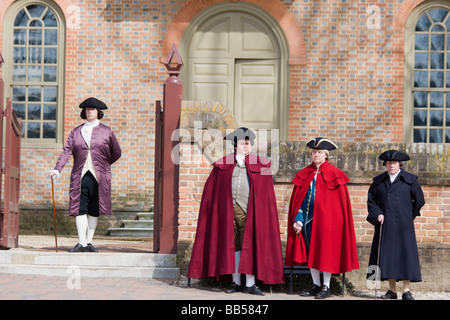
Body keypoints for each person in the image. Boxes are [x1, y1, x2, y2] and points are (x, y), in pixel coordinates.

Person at [187, 127, 284, 295]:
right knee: (233, 246)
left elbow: (266, 196)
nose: (245, 146)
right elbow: (212, 192)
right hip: (228, 212)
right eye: (241, 143)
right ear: (235, 145)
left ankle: (250, 284)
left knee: (251, 245)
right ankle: (236, 281)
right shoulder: (223, 165)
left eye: (247, 143)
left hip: (251, 213)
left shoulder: (261, 165)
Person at [285, 137, 359, 299]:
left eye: (319, 152)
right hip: (307, 222)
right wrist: (297, 219)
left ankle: (326, 286)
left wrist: (334, 222)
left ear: (326, 155)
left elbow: (339, 206)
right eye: (313, 152)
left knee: (325, 253)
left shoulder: (336, 174)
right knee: (311, 252)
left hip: (327, 224)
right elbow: (299, 200)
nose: (316, 155)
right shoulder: (305, 173)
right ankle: (315, 284)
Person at [49, 97, 121, 252]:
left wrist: (104, 165)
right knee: (80, 208)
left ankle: (89, 242)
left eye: (93, 110)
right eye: (88, 109)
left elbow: (116, 152)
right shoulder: (75, 132)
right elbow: (67, 151)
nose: (90, 112)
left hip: (99, 176)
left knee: (94, 208)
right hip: (80, 175)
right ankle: (81, 242)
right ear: (84, 112)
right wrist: (57, 169)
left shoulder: (107, 132)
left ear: (98, 112)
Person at [366, 150, 425, 300]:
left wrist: (409, 215)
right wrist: (377, 214)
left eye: (394, 163)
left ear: (399, 164)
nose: (391, 165)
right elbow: (371, 201)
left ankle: (406, 291)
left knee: (406, 256)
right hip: (385, 225)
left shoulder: (410, 180)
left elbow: (419, 200)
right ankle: (392, 291)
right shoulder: (378, 181)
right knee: (388, 257)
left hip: (404, 226)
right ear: (385, 164)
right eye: (388, 163)